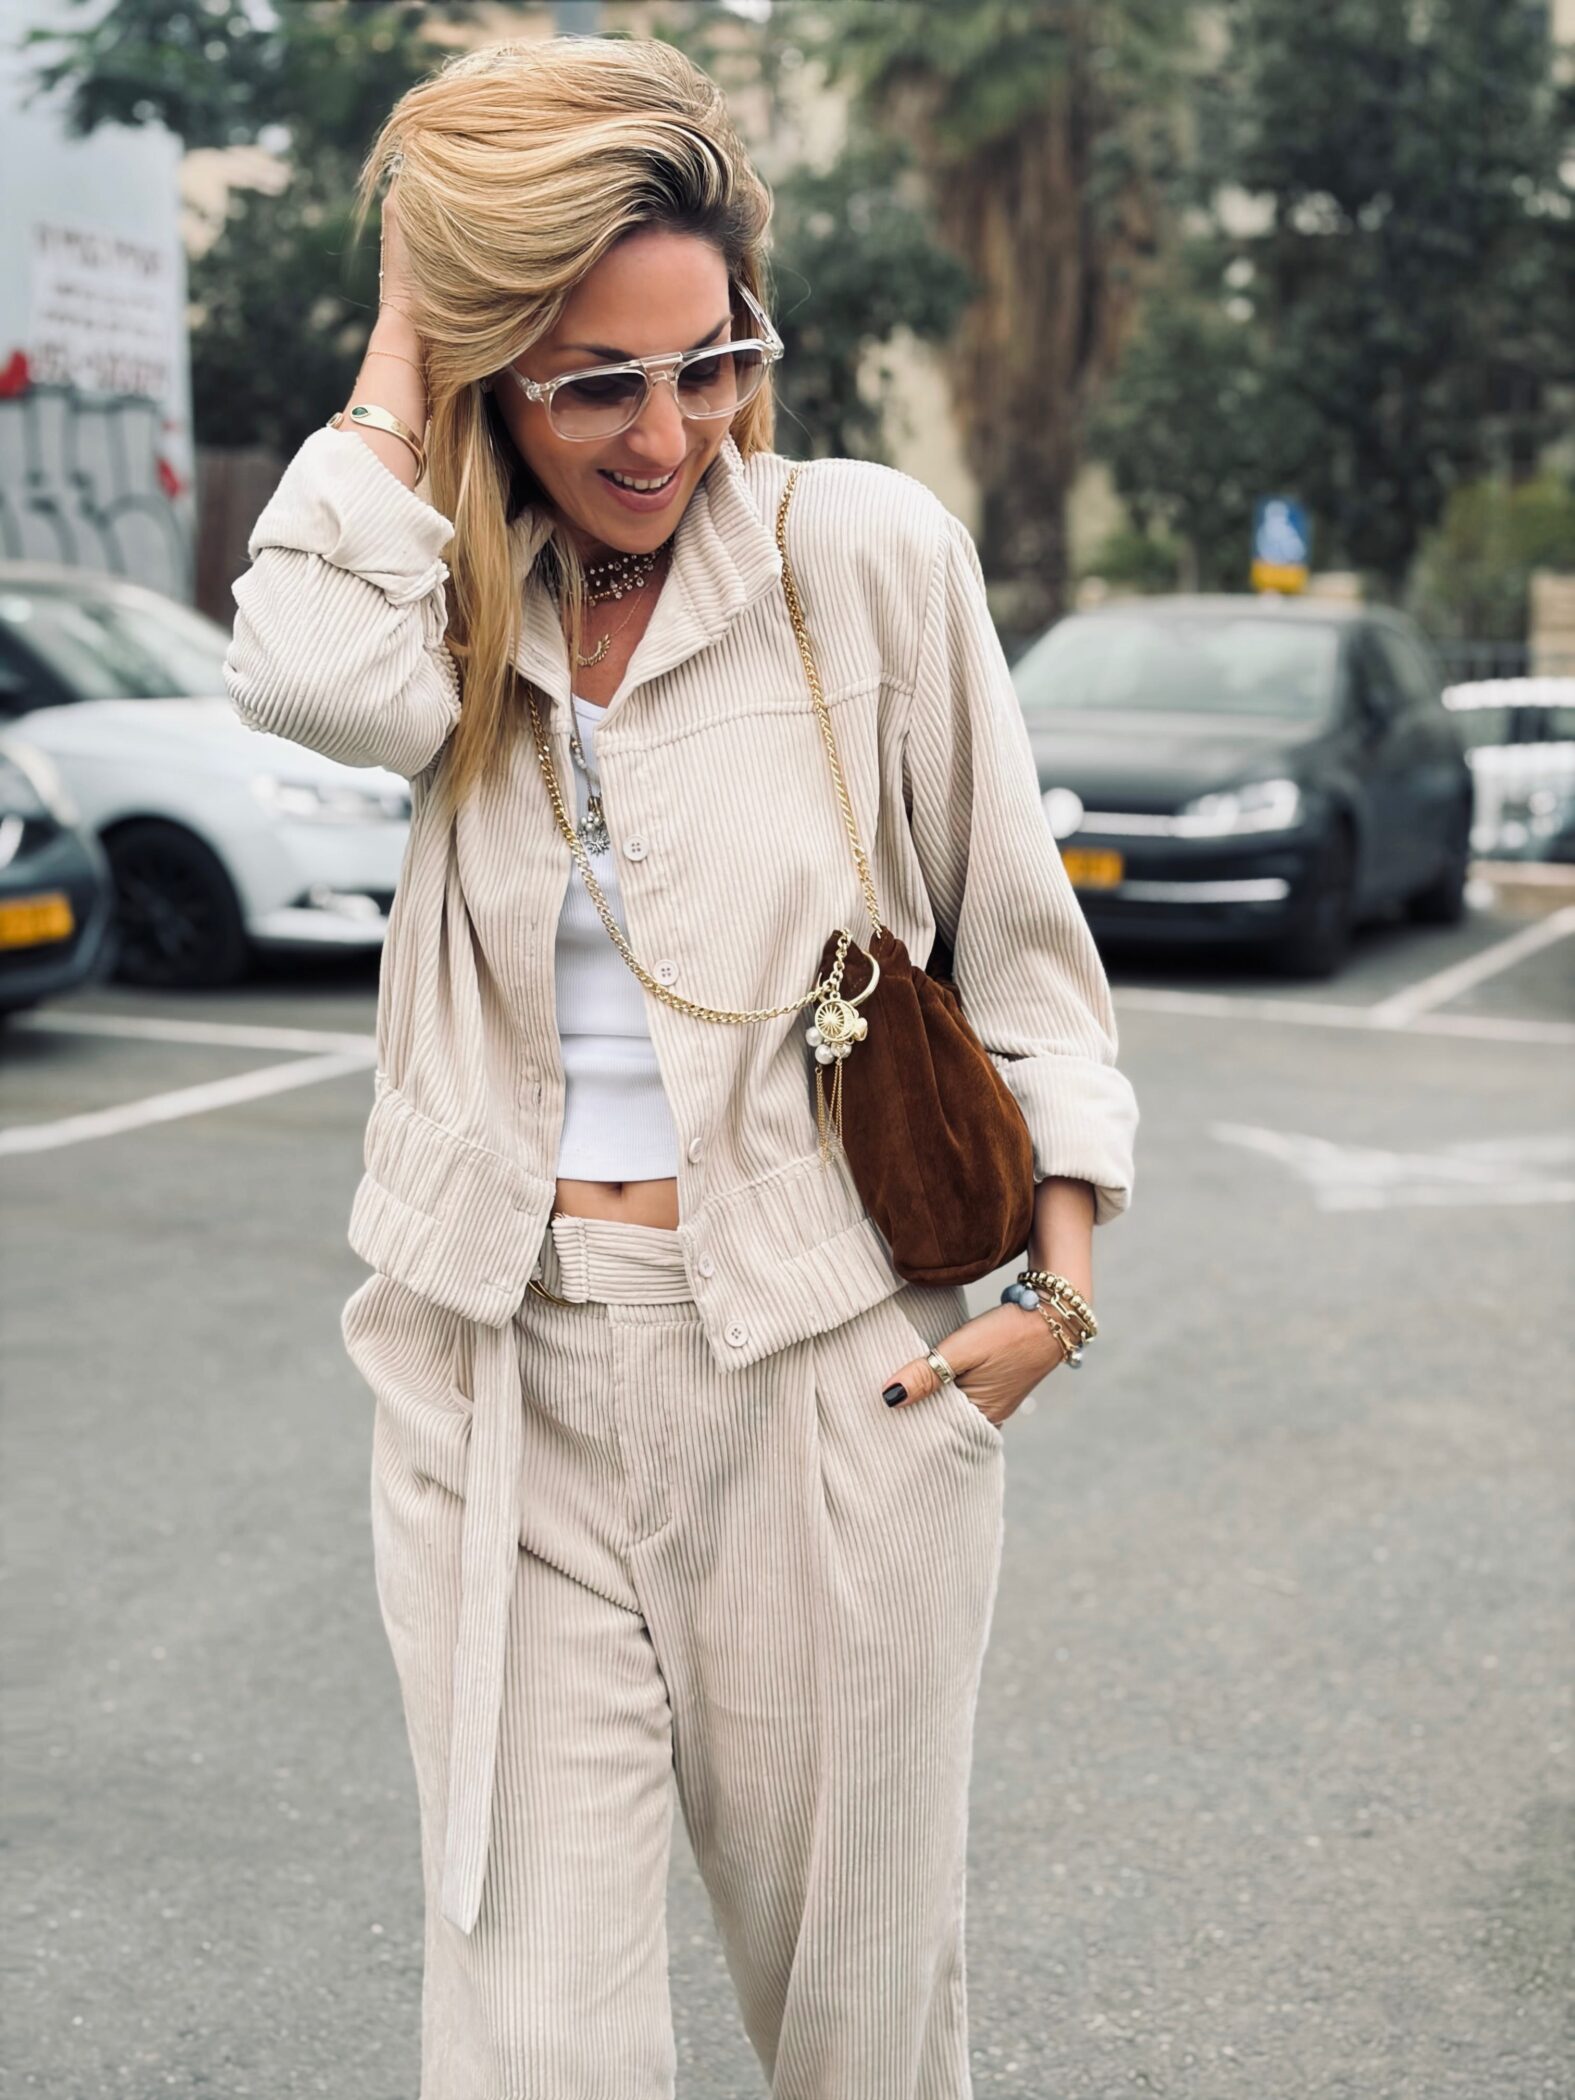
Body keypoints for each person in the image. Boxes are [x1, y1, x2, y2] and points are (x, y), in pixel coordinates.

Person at [224, 34, 1139, 2100]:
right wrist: (410, 327)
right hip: (498, 1372)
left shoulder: (862, 557)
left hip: (822, 1370)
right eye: (592, 386)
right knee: (532, 2037)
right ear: (494, 381)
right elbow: (297, 666)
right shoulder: (453, 608)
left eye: (710, 363)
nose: (666, 432)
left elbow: (1023, 952)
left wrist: (1052, 1298)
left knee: (858, 2027)